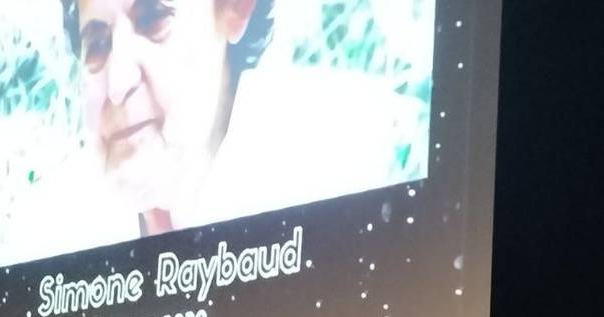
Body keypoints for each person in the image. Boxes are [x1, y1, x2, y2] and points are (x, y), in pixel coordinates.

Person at [59, 0, 404, 236]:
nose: (118, 85)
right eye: (97, 44)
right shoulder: (55, 228)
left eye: (153, 19)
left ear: (235, 7)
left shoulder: (363, 166)